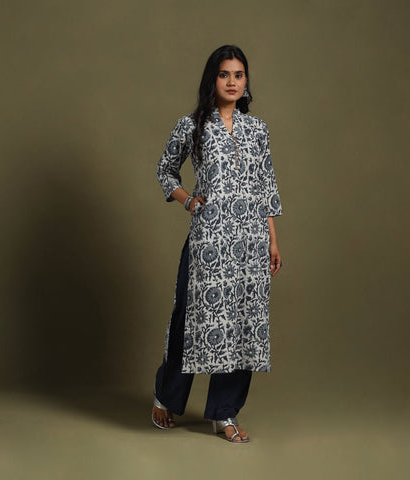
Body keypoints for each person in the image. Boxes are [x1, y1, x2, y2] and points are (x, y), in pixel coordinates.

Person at [153, 45, 283, 443]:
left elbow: (265, 187)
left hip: (250, 243)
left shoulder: (256, 129)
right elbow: (165, 170)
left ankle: (224, 413)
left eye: (238, 75)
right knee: (191, 320)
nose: (232, 82)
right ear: (213, 79)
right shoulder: (191, 126)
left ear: (246, 82)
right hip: (209, 242)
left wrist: (272, 241)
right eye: (224, 74)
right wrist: (188, 200)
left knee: (242, 324)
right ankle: (165, 397)